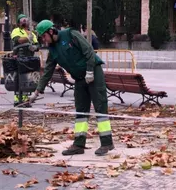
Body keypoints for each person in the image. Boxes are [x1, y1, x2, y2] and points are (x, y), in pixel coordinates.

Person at [30, 20, 114, 156]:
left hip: (94, 73)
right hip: (80, 79)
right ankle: (79, 144)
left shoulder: (71, 35)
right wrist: (36, 92)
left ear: (51, 31)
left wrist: (90, 71)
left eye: (44, 36)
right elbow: (47, 71)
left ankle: (107, 143)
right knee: (81, 111)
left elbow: (89, 51)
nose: (44, 40)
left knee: (100, 107)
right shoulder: (53, 49)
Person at [11, 14, 39, 107]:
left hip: (29, 59)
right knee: (18, 78)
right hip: (18, 58)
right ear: (19, 22)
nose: (24, 21)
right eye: (22, 20)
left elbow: (37, 45)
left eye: (25, 20)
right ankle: (17, 98)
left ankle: (25, 98)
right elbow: (17, 40)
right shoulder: (16, 31)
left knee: (27, 78)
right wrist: (27, 39)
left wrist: (34, 47)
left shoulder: (32, 33)